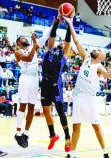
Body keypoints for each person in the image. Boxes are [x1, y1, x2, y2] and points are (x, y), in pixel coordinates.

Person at [63, 15, 111, 158]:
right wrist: (70, 23)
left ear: (100, 57)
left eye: (99, 50)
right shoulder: (86, 57)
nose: (96, 50)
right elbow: (76, 40)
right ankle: (72, 154)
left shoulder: (99, 66)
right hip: (78, 97)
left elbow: (107, 74)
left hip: (89, 99)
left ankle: (105, 153)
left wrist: (110, 74)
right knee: (76, 126)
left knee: (95, 125)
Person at [40, 10, 72, 152]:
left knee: (61, 114)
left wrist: (70, 23)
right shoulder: (49, 49)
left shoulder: (64, 55)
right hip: (45, 86)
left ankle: (67, 138)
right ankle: (52, 135)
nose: (56, 42)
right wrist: (57, 21)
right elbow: (52, 36)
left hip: (55, 87)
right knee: (46, 112)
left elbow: (67, 41)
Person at [14, 31, 49, 148]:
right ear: (18, 42)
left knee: (32, 107)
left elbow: (44, 38)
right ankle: (18, 133)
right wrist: (35, 44)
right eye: (22, 37)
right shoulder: (18, 52)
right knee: (22, 106)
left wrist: (55, 23)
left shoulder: (32, 46)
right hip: (25, 78)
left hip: (34, 79)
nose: (24, 38)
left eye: (25, 37)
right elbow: (28, 58)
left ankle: (25, 133)